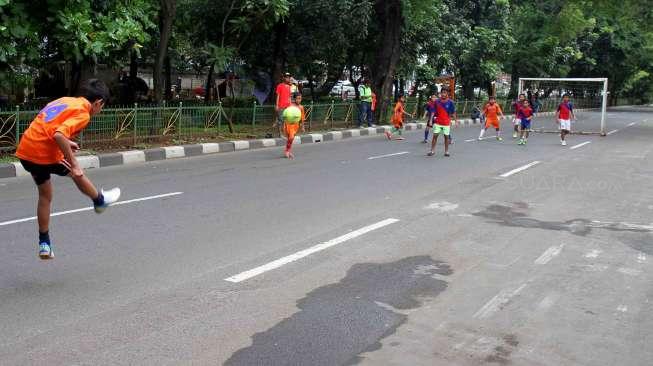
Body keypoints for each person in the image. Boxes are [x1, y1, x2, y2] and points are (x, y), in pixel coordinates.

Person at [15, 79, 121, 260]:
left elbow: (47, 125)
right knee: (76, 173)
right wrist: (74, 163)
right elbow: (58, 134)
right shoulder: (84, 113)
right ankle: (99, 201)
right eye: (102, 107)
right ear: (98, 103)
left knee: (45, 195)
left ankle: (44, 243)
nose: (100, 111)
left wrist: (67, 142)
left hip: (26, 151)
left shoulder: (63, 101)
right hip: (43, 154)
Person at [427, 89, 457, 157]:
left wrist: (456, 121)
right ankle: (432, 151)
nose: (443, 94)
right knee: (435, 136)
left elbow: (453, 112)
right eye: (442, 93)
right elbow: (433, 112)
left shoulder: (450, 102)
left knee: (446, 137)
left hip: (446, 123)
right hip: (438, 122)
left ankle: (446, 151)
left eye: (445, 93)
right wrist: (431, 120)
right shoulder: (437, 101)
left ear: (447, 93)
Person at [282, 93, 306, 159]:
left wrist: (303, 126)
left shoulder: (301, 107)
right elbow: (285, 114)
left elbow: (302, 118)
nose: (299, 100)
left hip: (296, 125)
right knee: (291, 138)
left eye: (300, 98)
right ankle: (287, 151)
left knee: (291, 139)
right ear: (294, 99)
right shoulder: (290, 105)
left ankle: (288, 151)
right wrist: (283, 124)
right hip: (288, 124)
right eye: (298, 98)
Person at [275, 72, 293, 137]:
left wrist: (290, 105)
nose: (287, 78)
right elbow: (278, 96)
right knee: (281, 120)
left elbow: (289, 97)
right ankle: (280, 134)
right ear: (283, 78)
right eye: (286, 77)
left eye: (288, 77)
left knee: (287, 119)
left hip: (288, 106)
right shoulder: (279, 86)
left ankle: (285, 132)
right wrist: (277, 105)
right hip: (281, 106)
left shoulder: (289, 86)